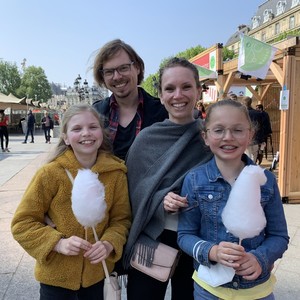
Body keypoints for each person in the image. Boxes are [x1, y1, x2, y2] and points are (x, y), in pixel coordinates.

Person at [11, 104, 131, 300]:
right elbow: (22, 223)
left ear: (102, 132)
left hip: (97, 276)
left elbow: (122, 220)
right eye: (77, 129)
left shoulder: (116, 174)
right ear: (66, 137)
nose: (86, 133)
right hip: (56, 280)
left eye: (93, 127)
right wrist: (57, 243)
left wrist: (109, 243)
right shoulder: (50, 174)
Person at [177, 99, 289, 300]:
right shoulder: (194, 180)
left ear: (250, 135)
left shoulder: (266, 180)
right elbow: (185, 235)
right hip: (209, 288)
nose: (228, 137)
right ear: (205, 137)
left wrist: (259, 258)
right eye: (218, 130)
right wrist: (212, 251)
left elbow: (279, 236)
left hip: (257, 290)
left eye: (238, 130)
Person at [123, 57, 213, 300]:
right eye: (170, 89)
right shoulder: (146, 140)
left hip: (200, 240)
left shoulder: (212, 137)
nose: (178, 95)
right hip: (154, 237)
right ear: (161, 96)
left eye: (186, 87)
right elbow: (132, 195)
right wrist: (161, 200)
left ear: (198, 91)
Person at [92, 39, 168, 160]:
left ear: (137, 68)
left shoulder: (162, 112)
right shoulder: (95, 113)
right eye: (109, 72)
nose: (117, 76)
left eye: (123, 68)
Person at [241, 96, 263, 163]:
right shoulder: (258, 113)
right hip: (256, 137)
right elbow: (261, 126)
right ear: (251, 103)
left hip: (245, 137)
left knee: (248, 155)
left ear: (243, 103)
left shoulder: (242, 114)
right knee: (254, 155)